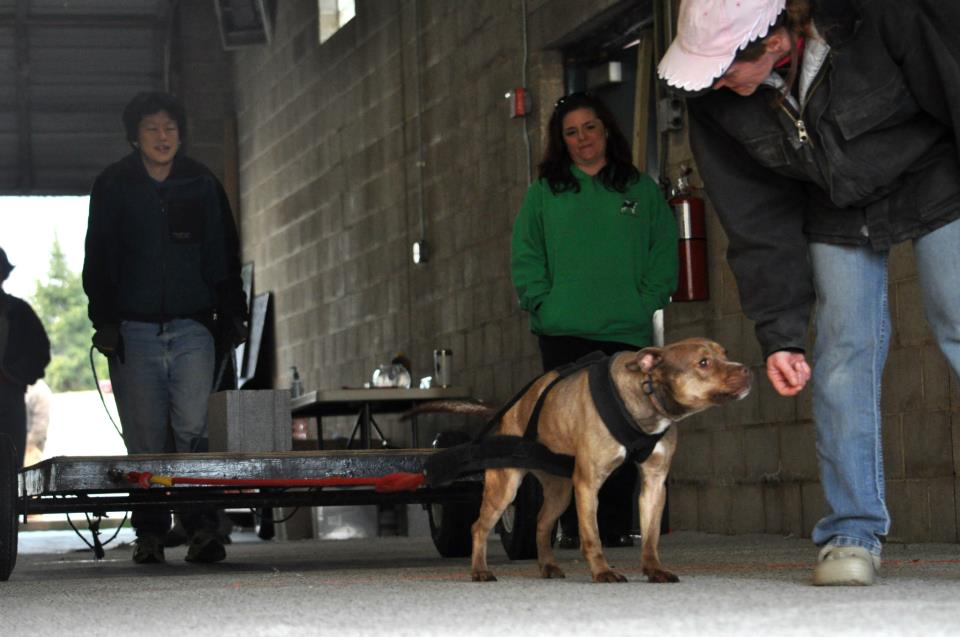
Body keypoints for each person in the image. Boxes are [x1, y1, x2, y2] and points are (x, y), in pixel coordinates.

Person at [657, 0, 960, 586]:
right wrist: (781, 334)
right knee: (842, 355)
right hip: (835, 211)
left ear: (772, 42)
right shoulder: (718, 102)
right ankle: (852, 532)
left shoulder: (878, 20)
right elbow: (756, 221)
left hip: (936, 181)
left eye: (723, 68)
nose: (716, 82)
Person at [83, 91, 247, 565]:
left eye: (170, 128)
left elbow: (224, 251)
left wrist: (230, 311)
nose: (162, 137)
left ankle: (201, 530)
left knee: (194, 430)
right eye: (152, 128)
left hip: (193, 326)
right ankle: (150, 533)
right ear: (134, 136)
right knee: (146, 438)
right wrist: (105, 321)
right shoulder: (113, 184)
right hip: (133, 330)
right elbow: (99, 257)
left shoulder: (200, 182)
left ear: (181, 134)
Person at [511, 91, 679, 548]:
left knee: (628, 427)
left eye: (589, 127)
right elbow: (526, 254)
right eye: (571, 132)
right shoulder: (546, 192)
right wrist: (541, 301)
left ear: (606, 130)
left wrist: (646, 300)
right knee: (567, 434)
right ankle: (570, 527)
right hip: (563, 330)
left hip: (625, 332)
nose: (582, 138)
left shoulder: (639, 189)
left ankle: (616, 527)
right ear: (560, 141)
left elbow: (665, 250)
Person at [0, 247, 51, 466]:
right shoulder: (18, 311)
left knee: (9, 470)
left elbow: (40, 353)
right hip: (11, 396)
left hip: (9, 398)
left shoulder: (19, 312)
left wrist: (14, 377)